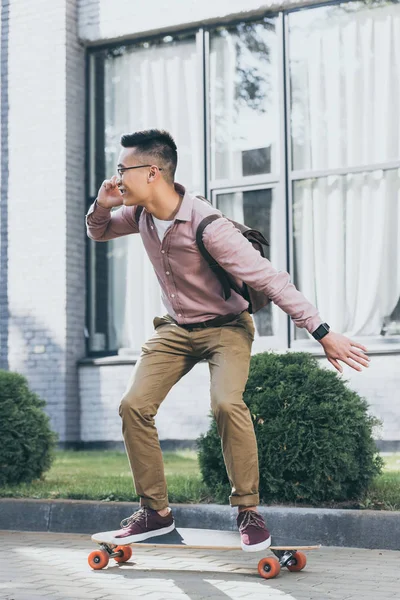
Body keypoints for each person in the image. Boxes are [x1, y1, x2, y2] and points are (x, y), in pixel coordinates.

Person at [86, 129, 370, 552]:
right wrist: (100, 206)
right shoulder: (142, 214)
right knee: (133, 406)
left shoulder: (209, 226)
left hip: (225, 328)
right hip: (175, 329)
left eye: (122, 170)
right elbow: (99, 231)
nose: (117, 179)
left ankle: (248, 511)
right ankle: (155, 513)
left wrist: (322, 332)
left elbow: (271, 280)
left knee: (226, 403)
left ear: (151, 173)